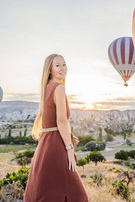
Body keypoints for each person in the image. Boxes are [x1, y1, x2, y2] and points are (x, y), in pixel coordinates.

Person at [24, 54, 88, 202]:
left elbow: (53, 123)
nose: (63, 68)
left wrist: (68, 136)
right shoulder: (59, 88)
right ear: (50, 70)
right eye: (57, 65)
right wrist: (69, 148)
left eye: (64, 64)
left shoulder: (47, 88)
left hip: (46, 145)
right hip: (56, 147)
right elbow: (61, 121)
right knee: (78, 196)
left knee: (48, 191)